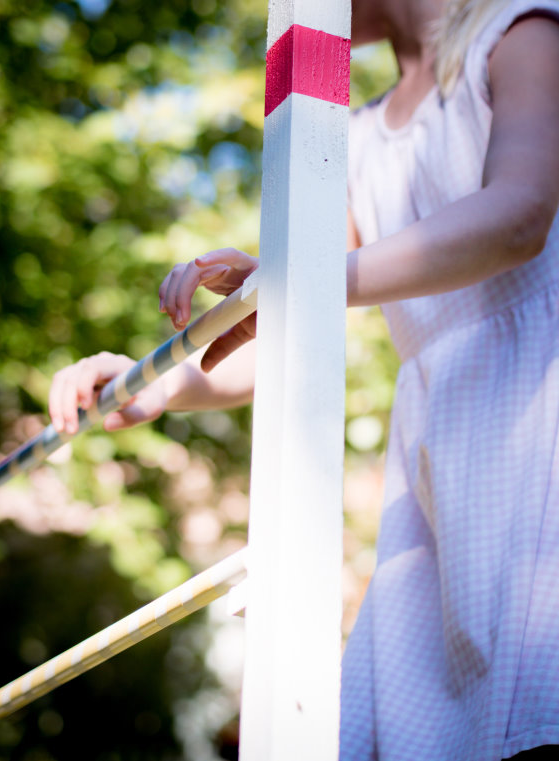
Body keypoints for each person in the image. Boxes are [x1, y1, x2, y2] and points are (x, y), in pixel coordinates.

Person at [49, 0, 559, 758]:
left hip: (536, 422)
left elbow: (519, 215)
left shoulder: (522, 33)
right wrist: (160, 386)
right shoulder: (356, 135)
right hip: (432, 468)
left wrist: (307, 276)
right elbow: (296, 322)